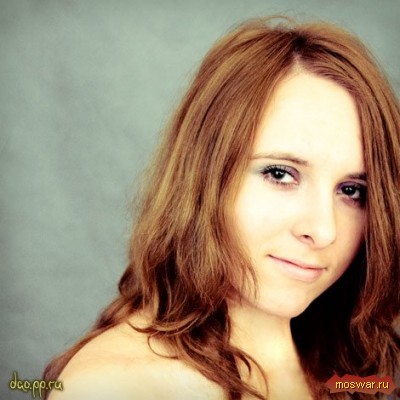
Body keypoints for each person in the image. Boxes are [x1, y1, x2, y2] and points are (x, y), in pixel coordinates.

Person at [43, 16, 400, 400]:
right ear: (205, 175)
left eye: (352, 191)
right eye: (280, 174)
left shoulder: (346, 366)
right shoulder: (115, 387)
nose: (324, 230)